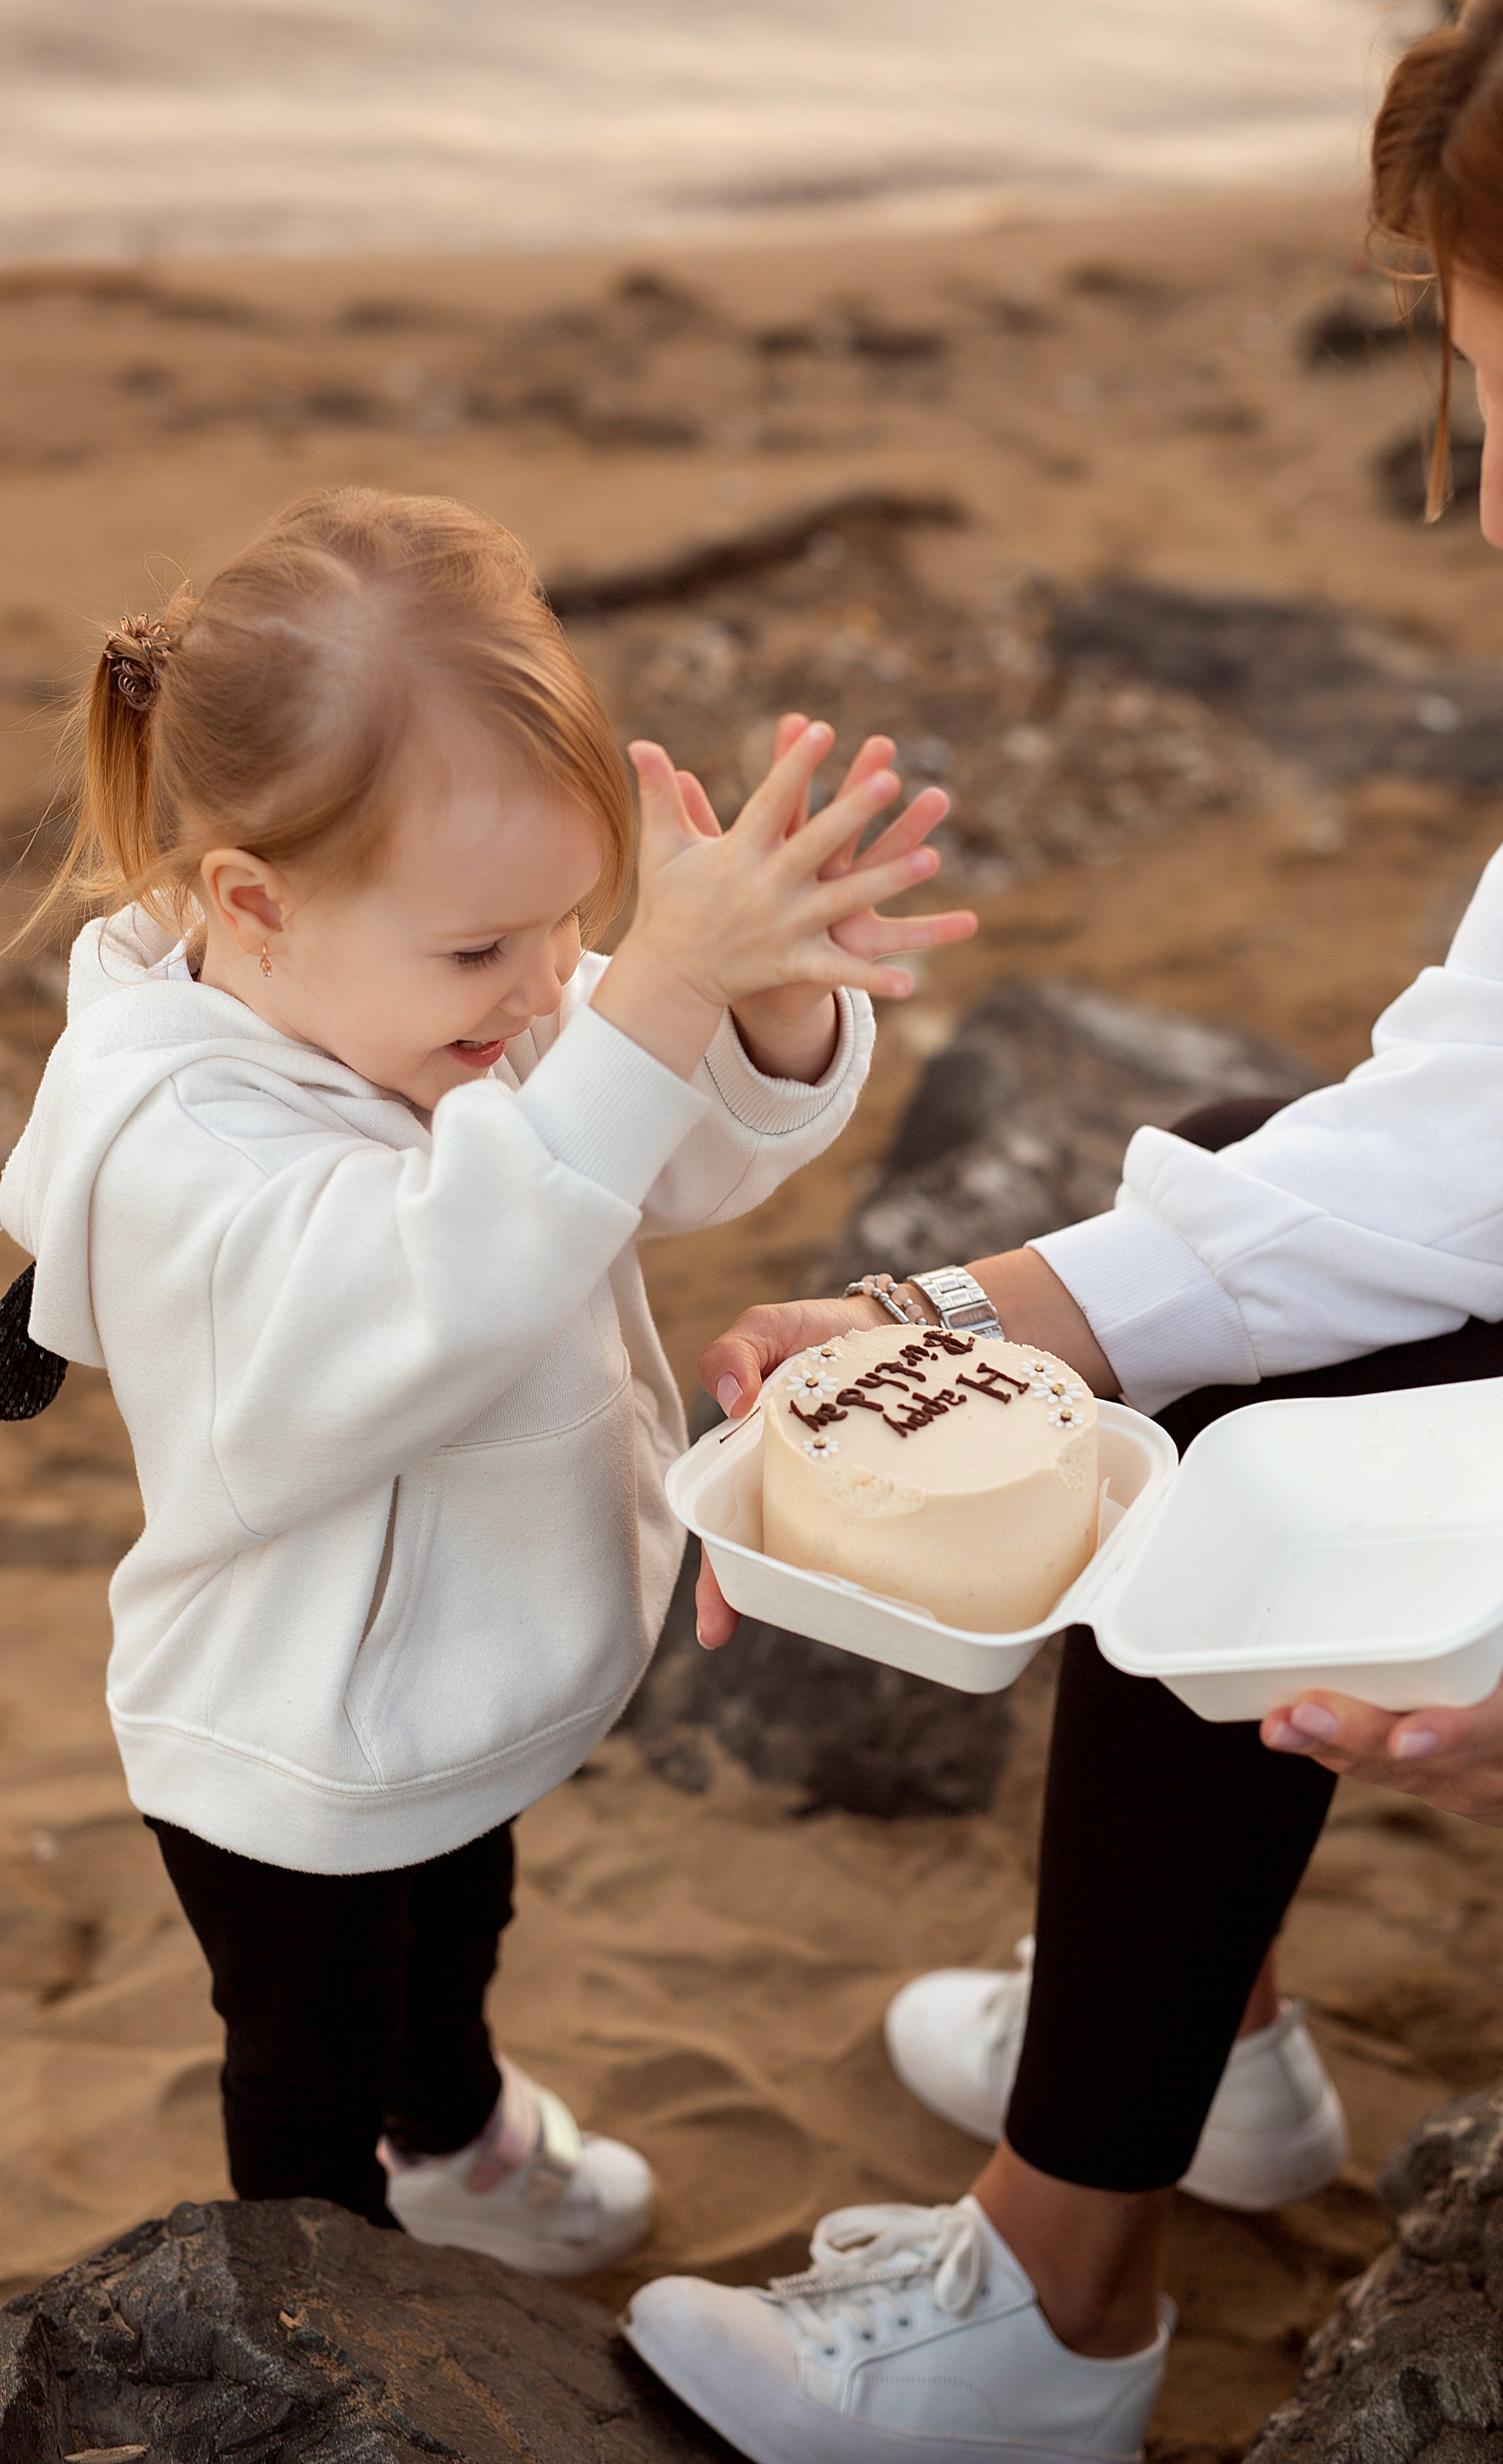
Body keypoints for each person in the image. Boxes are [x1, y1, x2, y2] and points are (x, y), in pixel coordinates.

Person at [621, 0, 1503, 2453]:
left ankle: (1077, 2237)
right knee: (1219, 1408)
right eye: (1495, 393)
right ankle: (1151, 2090)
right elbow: (1478, 1116)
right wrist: (990, 1318)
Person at [0, 486, 976, 2274]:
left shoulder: (444, 984)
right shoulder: (190, 1139)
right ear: (250, 902)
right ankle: (323, 2303)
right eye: (486, 951)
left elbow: (663, 1157)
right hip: (291, 1744)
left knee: (458, 1933)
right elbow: (441, 1282)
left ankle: (454, 2135)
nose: (544, 992)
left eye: (571, 930)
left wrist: (749, 1010)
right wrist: (644, 1011)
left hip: (462, 1682)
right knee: (307, 2061)